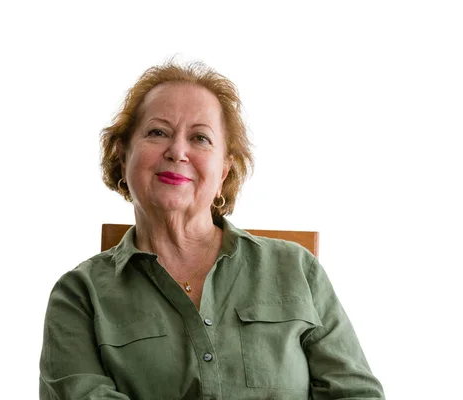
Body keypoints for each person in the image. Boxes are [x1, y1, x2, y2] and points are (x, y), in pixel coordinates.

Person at [39, 60, 385, 400]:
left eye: (200, 138)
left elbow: (357, 394)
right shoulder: (78, 296)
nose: (177, 151)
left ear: (223, 172)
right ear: (122, 152)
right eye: (157, 132)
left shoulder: (296, 269)